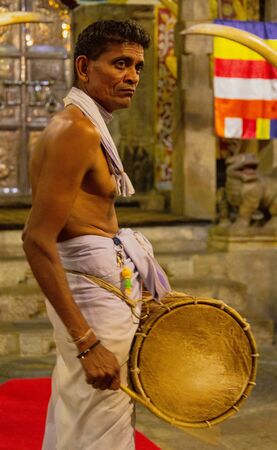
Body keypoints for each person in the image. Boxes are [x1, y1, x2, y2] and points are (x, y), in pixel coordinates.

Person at [22, 20, 171, 450]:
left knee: (90, 414)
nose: (132, 77)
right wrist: (86, 341)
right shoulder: (77, 131)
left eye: (138, 67)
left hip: (102, 288)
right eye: (120, 63)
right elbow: (35, 240)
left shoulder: (85, 124)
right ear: (84, 67)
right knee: (100, 416)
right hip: (91, 299)